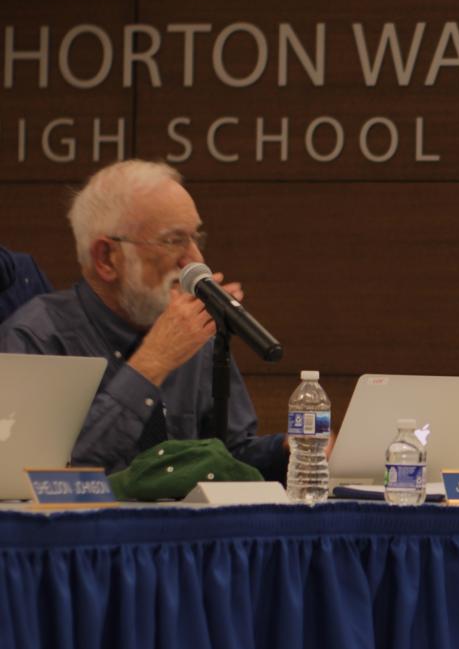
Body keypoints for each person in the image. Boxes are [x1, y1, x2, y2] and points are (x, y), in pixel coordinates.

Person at [0, 160, 288, 478]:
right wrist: (152, 363)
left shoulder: (193, 332)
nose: (195, 259)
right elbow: (47, 477)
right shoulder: (35, 337)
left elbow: (229, 454)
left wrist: (287, 451)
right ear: (106, 258)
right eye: (173, 240)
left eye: (195, 238)